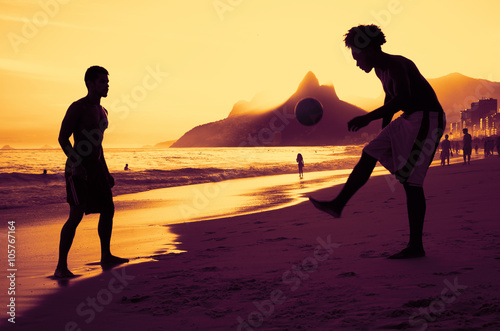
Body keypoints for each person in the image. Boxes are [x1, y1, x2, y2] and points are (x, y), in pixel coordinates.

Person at [309, 25, 445, 259]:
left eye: (357, 56)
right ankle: (338, 204)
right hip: (408, 118)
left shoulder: (396, 64)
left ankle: (416, 247)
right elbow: (390, 98)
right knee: (370, 151)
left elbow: (404, 97)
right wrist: (385, 131)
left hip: (426, 118)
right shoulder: (380, 70)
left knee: (411, 183)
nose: (356, 62)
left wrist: (367, 118)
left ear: (368, 49)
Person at [55, 66, 129, 278]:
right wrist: (76, 163)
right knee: (76, 215)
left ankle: (106, 256)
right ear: (90, 83)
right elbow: (62, 138)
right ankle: (61, 267)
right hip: (77, 172)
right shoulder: (78, 107)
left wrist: (105, 171)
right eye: (102, 82)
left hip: (96, 170)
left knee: (108, 209)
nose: (107, 85)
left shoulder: (104, 112)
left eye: (107, 82)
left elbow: (98, 145)